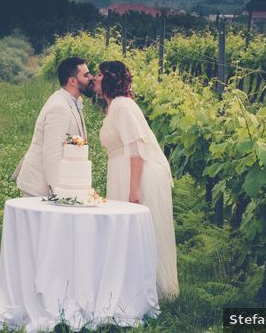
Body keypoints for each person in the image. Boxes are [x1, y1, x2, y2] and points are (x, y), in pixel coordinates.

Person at [95, 60, 179, 300]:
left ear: (110, 79)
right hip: (124, 171)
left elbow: (136, 151)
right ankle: (132, 287)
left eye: (100, 74)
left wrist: (133, 192)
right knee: (129, 234)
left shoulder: (123, 106)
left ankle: (151, 290)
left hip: (138, 176)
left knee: (142, 232)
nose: (96, 79)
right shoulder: (114, 107)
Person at [13, 56, 92, 197]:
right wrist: (59, 195)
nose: (91, 78)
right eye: (86, 75)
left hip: (59, 182)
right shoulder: (59, 107)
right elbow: (52, 154)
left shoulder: (74, 100)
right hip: (41, 187)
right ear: (72, 81)